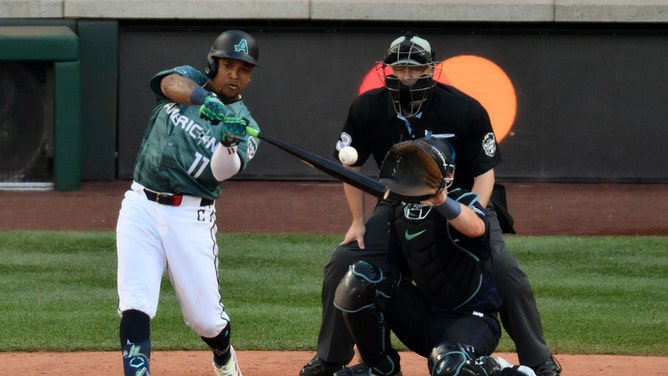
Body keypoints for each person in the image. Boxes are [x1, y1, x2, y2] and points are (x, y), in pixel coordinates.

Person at [299, 32, 561, 376]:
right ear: (387, 70)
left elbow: (486, 175)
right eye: (400, 69)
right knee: (343, 261)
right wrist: (357, 222)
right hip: (396, 206)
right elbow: (351, 164)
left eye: (415, 69)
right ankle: (332, 359)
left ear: (430, 70)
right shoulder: (367, 108)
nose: (407, 76)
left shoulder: (463, 108)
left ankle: (539, 361)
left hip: (461, 200)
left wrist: (471, 216)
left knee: (505, 272)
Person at [116, 29, 261, 376]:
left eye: (243, 70)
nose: (234, 75)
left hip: (189, 216)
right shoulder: (189, 80)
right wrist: (202, 99)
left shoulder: (246, 124)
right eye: (228, 65)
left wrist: (228, 142)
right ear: (213, 64)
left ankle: (223, 353)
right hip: (141, 204)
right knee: (135, 300)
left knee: (205, 319)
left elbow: (222, 173)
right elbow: (168, 84)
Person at [332, 137, 536, 376]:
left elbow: (477, 228)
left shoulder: (464, 202)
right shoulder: (399, 211)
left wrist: (440, 201)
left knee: (451, 366)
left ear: (447, 175)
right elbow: (393, 277)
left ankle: (499, 370)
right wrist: (367, 348)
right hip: (425, 319)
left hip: (472, 321)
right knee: (360, 280)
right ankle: (379, 368)